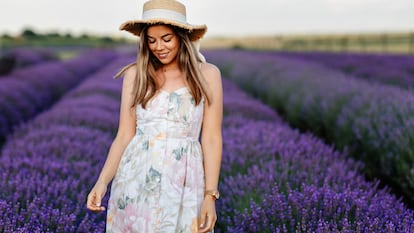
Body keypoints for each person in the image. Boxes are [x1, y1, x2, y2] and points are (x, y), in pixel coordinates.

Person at [86, 0, 223, 232]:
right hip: (135, 179)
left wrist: (210, 194)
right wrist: (102, 182)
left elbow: (211, 138)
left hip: (185, 184)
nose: (159, 47)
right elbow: (124, 136)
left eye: (166, 38)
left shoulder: (207, 74)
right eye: (151, 40)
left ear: (182, 37)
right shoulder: (134, 75)